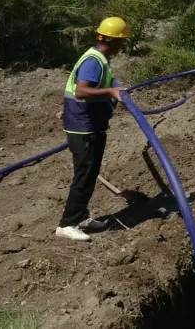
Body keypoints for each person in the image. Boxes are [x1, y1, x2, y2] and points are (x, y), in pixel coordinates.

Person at [55, 17, 129, 241]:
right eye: (122, 41)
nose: (123, 45)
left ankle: (80, 217)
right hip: (82, 128)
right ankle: (66, 224)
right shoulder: (93, 61)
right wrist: (110, 93)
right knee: (84, 176)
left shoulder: (99, 59)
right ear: (115, 41)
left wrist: (115, 85)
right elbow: (82, 91)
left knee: (90, 173)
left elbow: (103, 81)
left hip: (91, 126)